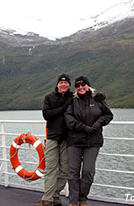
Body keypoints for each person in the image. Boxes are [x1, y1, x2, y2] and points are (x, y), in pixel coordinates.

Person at [64, 76, 113, 206]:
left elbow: (108, 115)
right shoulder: (72, 101)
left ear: (88, 85)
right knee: (73, 171)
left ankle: (82, 198)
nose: (80, 87)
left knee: (88, 171)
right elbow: (68, 119)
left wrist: (98, 124)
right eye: (78, 86)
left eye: (83, 85)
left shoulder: (97, 99)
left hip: (93, 141)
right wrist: (84, 127)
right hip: (75, 141)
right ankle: (73, 201)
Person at [35, 73, 73, 206]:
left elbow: (86, 98)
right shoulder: (49, 97)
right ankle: (47, 199)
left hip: (68, 138)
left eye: (66, 82)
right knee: (51, 168)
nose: (63, 85)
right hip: (52, 137)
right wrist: (63, 109)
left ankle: (55, 194)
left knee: (65, 169)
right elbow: (47, 114)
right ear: (57, 84)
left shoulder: (73, 97)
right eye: (61, 82)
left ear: (69, 84)